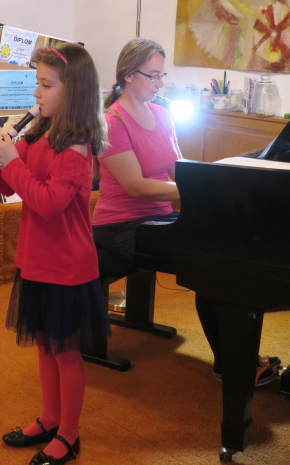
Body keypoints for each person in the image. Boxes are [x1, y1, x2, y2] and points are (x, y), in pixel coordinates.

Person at [92, 38, 280, 386]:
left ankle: (235, 359)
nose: (160, 83)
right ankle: (233, 364)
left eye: (162, 75)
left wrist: (211, 181)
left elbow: (178, 171)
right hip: (120, 224)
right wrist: (202, 189)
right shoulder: (111, 122)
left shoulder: (162, 114)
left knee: (220, 252)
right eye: (153, 76)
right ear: (128, 75)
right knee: (209, 263)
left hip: (159, 217)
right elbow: (136, 187)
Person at [0, 43, 110, 465]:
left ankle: (69, 433)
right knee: (45, 346)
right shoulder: (38, 135)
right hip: (36, 259)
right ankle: (50, 418)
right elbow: (18, 188)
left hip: (66, 265)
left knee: (65, 352)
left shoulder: (76, 148)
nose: (36, 93)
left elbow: (49, 203)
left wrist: (11, 163)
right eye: (37, 83)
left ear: (74, 92)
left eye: (46, 85)